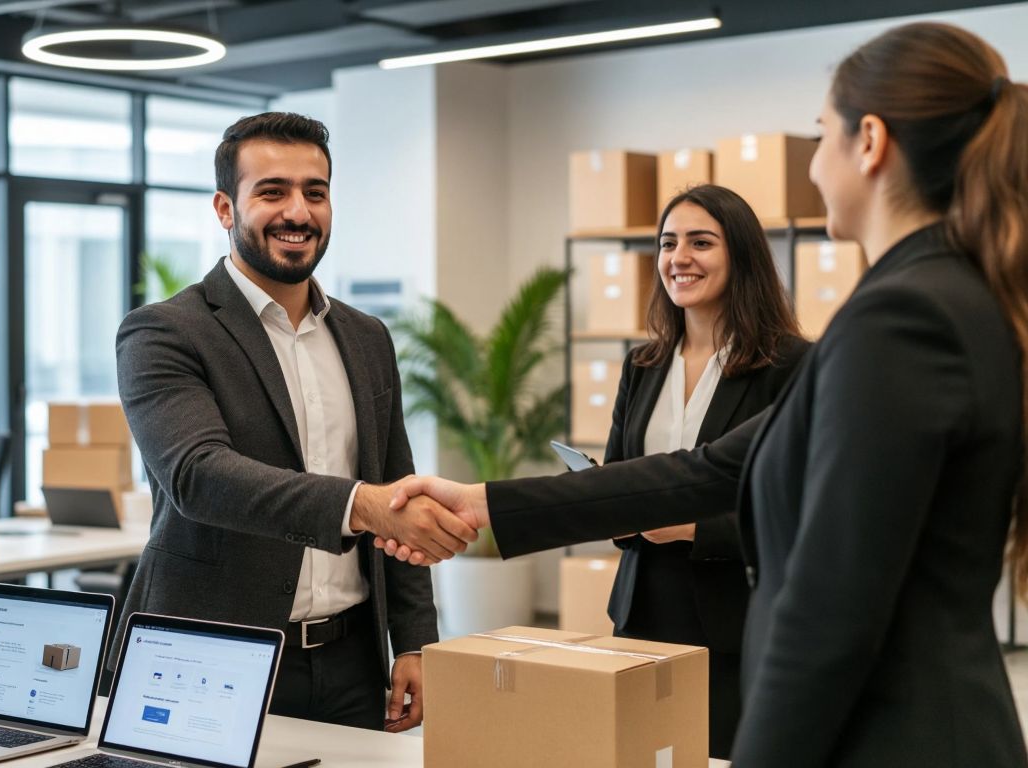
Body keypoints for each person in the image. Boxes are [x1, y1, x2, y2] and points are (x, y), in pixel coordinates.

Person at [383, 21, 1028, 767]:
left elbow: (830, 610)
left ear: (872, 142)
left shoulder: (903, 316)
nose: (815, 166)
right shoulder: (940, 297)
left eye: (820, 137)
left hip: (898, 737)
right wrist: (484, 502)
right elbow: (711, 471)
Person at [114, 112, 474, 732]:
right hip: (211, 654)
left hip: (351, 659)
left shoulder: (366, 337)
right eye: (272, 191)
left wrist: (415, 640)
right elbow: (200, 476)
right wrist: (362, 507)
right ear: (226, 208)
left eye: (316, 192)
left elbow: (396, 479)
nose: (299, 212)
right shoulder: (165, 331)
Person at [595, 184, 808, 759]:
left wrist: (693, 529)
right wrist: (603, 501)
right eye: (668, 243)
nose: (678, 258)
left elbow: (802, 515)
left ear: (740, 255)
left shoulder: (788, 365)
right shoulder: (642, 365)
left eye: (700, 242)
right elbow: (620, 474)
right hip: (641, 612)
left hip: (734, 621)